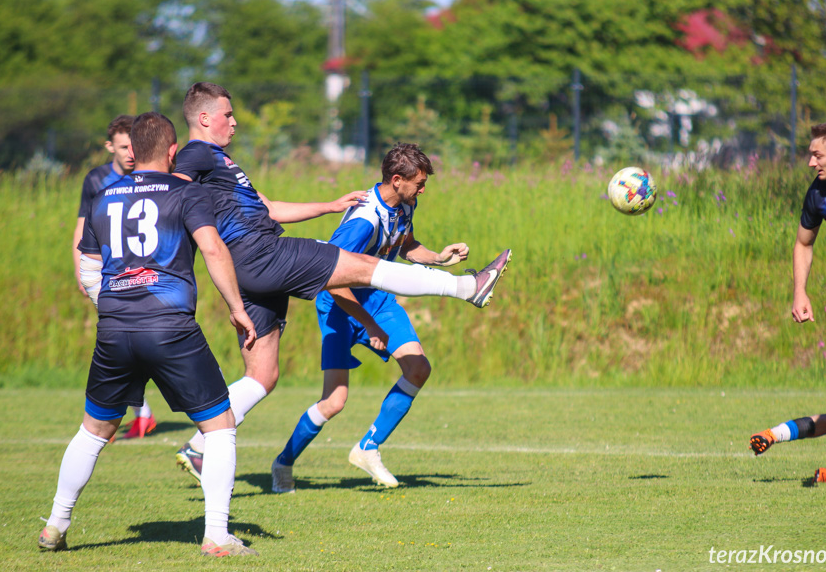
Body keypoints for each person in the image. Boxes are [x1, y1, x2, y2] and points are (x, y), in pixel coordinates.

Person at [171, 82, 511, 485]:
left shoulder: (224, 165)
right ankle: (467, 288)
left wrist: (330, 206)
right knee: (358, 285)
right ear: (205, 118)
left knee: (263, 376)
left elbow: (271, 208)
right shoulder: (197, 153)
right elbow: (172, 190)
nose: (235, 121)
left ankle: (198, 445)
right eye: (228, 115)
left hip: (266, 270)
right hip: (277, 264)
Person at [39, 112, 259, 557]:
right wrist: (237, 308)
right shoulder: (188, 191)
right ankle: (217, 536)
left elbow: (88, 267)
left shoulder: (102, 196)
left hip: (115, 329)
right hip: (170, 327)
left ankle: (55, 526)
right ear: (173, 151)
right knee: (219, 427)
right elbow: (213, 248)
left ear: (132, 151)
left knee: (93, 431)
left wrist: (113, 305)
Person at [271, 143, 471, 491]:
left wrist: (438, 257)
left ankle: (368, 447)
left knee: (418, 367)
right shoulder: (363, 221)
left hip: (377, 298)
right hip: (338, 305)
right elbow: (331, 281)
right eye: (419, 183)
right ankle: (283, 463)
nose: (423, 189)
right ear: (397, 180)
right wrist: (369, 324)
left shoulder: (406, 203)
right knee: (334, 401)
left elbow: (404, 244)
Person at [749, 119, 826, 496]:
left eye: (817, 154)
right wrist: (800, 291)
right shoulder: (820, 194)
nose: (811, 162)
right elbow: (804, 243)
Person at [72, 114, 157, 440]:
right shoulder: (96, 180)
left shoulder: (150, 177)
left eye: (134, 145)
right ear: (110, 146)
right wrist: (82, 271)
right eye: (123, 146)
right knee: (120, 343)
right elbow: (82, 229)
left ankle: (131, 415)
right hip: (106, 276)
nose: (130, 152)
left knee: (146, 341)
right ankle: (136, 414)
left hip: (145, 276)